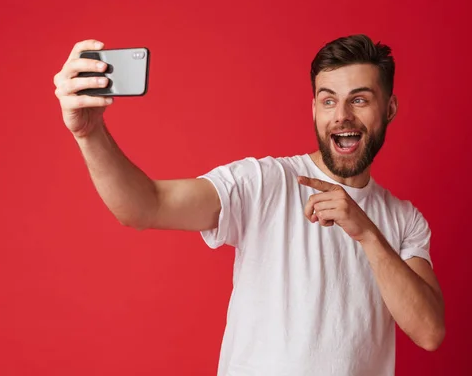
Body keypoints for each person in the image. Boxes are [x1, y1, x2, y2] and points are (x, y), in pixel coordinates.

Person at [53, 34, 445, 376]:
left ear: (389, 109)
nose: (341, 115)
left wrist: (367, 234)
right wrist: (90, 133)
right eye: (328, 101)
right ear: (313, 108)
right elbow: (146, 206)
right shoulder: (264, 182)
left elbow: (428, 332)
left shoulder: (403, 220)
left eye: (359, 99)